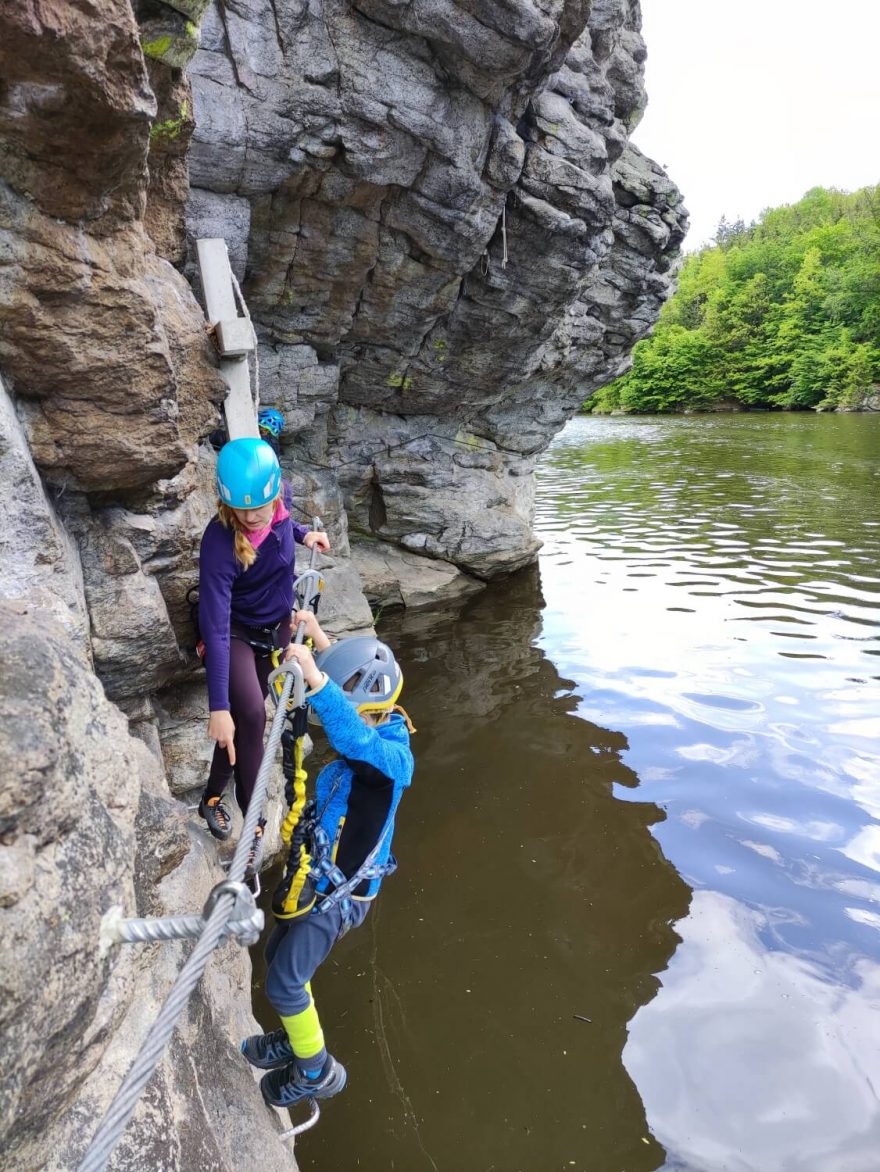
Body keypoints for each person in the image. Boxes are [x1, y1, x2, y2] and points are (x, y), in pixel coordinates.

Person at [240, 611, 415, 1108]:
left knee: (284, 983)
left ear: (371, 711)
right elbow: (354, 687)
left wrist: (316, 682)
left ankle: (316, 1070)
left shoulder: (390, 762)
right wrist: (319, 639)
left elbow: (355, 738)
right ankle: (297, 1038)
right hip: (316, 876)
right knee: (277, 959)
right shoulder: (382, 718)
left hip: (339, 896)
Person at [197, 437, 330, 868]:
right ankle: (253, 826)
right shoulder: (218, 543)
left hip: (275, 629)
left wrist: (304, 534)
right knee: (250, 714)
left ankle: (211, 795)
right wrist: (217, 707)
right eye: (242, 509)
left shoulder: (280, 498)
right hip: (235, 632)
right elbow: (216, 629)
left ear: (274, 493)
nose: (252, 516)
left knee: (244, 718)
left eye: (259, 507)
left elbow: (283, 526)